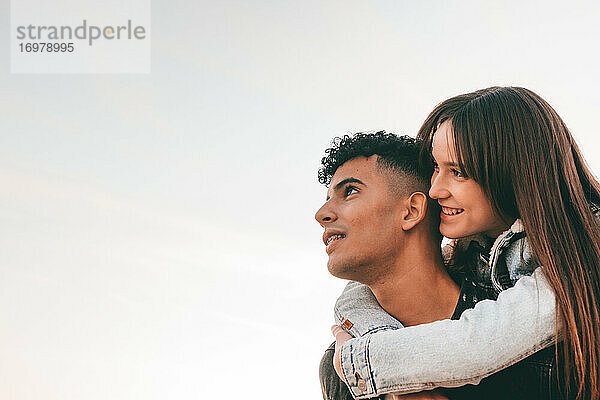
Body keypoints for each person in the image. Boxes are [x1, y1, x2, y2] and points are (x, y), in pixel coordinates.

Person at [328, 87, 600, 400]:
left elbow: (480, 345)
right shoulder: (480, 247)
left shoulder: (587, 251)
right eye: (435, 167)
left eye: (457, 172)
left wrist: (368, 362)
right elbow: (359, 291)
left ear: (514, 171)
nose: (435, 190)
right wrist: (371, 342)